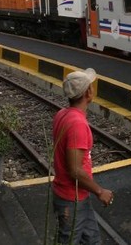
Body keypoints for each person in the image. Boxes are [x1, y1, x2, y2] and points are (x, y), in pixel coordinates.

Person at [52, 68, 114, 245]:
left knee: (91, 239)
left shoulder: (62, 114)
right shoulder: (77, 124)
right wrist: (100, 191)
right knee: (69, 240)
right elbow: (75, 170)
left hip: (78, 196)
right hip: (71, 199)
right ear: (88, 92)